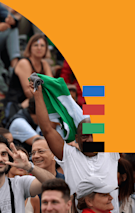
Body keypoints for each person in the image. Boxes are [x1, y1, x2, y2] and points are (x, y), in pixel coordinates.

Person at [30, 82, 120, 213]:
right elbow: (47, 129)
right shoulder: (69, 154)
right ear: (77, 138)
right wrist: (38, 95)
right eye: (85, 136)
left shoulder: (110, 152)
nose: (90, 140)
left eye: (94, 135)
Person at [0, 134, 55, 213]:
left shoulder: (19, 183)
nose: (0, 159)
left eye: (3, 154)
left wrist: (29, 166)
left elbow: (52, 182)